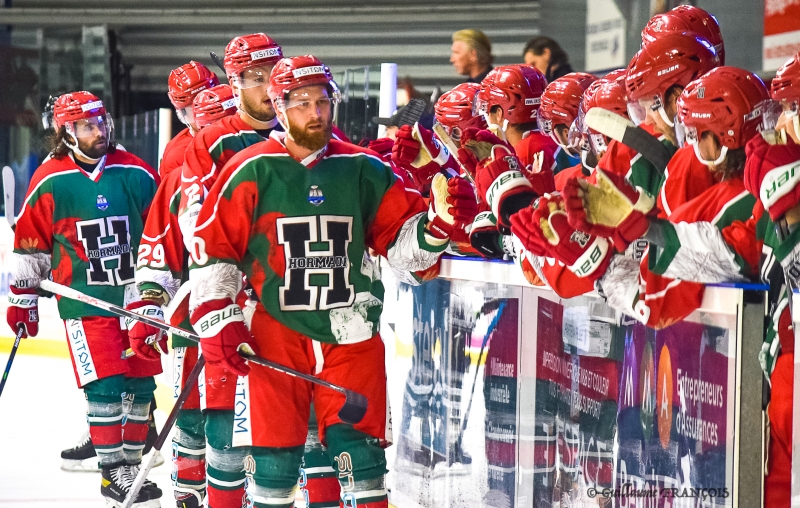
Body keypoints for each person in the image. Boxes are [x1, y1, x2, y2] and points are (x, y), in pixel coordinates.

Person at [186, 54, 476, 508]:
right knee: (274, 464)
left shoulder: (364, 168)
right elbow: (214, 251)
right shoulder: (249, 169)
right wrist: (217, 317)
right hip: (274, 334)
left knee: (362, 461)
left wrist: (435, 227)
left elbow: (400, 247)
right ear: (279, 108)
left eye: (323, 101)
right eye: (302, 103)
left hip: (352, 333)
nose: (316, 113)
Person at [6, 91, 162, 507]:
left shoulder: (136, 172)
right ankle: (112, 471)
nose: (99, 131)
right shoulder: (50, 178)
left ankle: (130, 465)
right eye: (87, 126)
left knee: (140, 383)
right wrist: (22, 298)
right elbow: (32, 247)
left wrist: (165, 284)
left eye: (101, 122)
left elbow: (161, 231)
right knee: (105, 383)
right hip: (84, 302)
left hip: (137, 303)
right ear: (66, 133)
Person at [128, 84, 237, 508]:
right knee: (190, 412)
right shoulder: (178, 180)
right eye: (205, 124)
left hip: (257, 321)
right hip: (194, 320)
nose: (212, 135)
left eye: (221, 123)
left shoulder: (266, 168)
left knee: (241, 419)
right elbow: (157, 254)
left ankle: (243, 493)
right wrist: (151, 304)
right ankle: (189, 493)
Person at [160, 61, 220, 178]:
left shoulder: (243, 129)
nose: (205, 114)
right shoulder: (177, 155)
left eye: (209, 101)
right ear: (182, 114)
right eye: (194, 108)